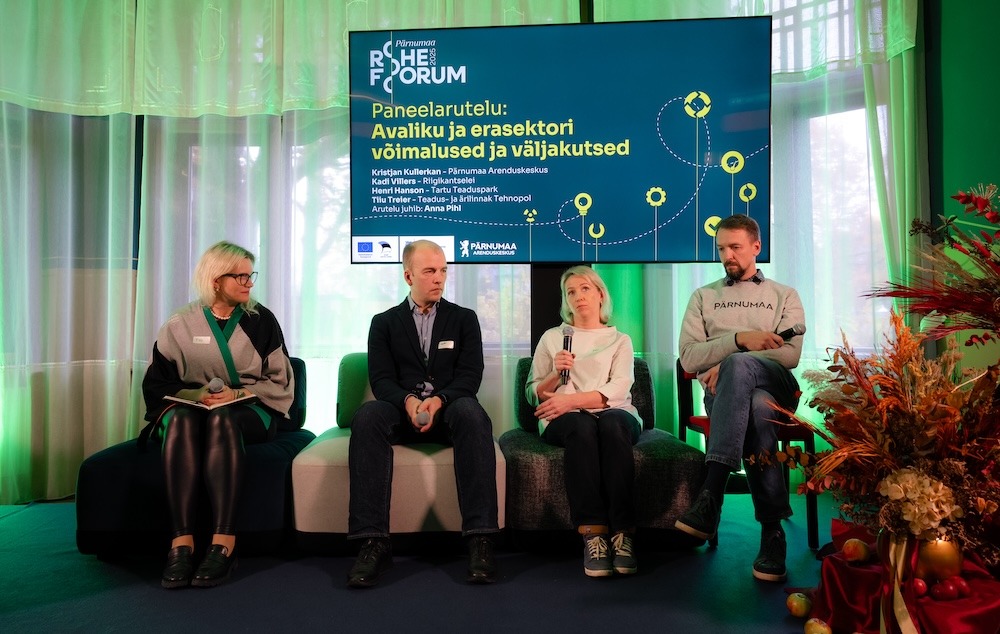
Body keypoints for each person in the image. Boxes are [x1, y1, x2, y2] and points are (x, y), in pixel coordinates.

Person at [346, 239, 500, 588]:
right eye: (430, 271)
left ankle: (481, 539)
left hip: (449, 408)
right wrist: (408, 401)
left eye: (443, 270)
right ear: (408, 276)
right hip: (402, 410)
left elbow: (469, 377)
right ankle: (372, 543)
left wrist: (439, 400)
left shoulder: (464, 319)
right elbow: (381, 380)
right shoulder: (384, 323)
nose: (439, 278)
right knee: (367, 416)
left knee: (473, 414)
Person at [141, 241, 294, 589]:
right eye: (240, 276)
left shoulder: (261, 321)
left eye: (251, 275)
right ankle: (181, 543)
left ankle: (224, 541)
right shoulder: (179, 323)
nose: (249, 283)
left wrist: (236, 394)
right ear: (215, 280)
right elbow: (157, 385)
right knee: (181, 420)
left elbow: (281, 381)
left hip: (249, 409)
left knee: (223, 419)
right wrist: (196, 395)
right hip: (192, 409)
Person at [675, 214, 804, 582]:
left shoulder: (784, 294)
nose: (727, 255)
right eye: (721, 249)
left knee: (743, 371)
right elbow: (689, 358)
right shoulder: (703, 297)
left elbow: (790, 355)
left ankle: (711, 494)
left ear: (756, 247)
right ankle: (772, 533)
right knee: (758, 408)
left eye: (735, 247)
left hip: (778, 387)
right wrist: (738, 340)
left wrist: (731, 359)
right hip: (727, 397)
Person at [527, 265, 641, 578]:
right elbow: (533, 393)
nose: (578, 296)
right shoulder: (553, 338)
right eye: (571, 292)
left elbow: (619, 389)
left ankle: (623, 534)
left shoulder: (620, 340)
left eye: (585, 289)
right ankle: (594, 535)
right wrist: (555, 374)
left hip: (614, 414)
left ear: (601, 294)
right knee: (581, 425)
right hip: (566, 419)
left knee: (611, 424)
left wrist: (571, 400)